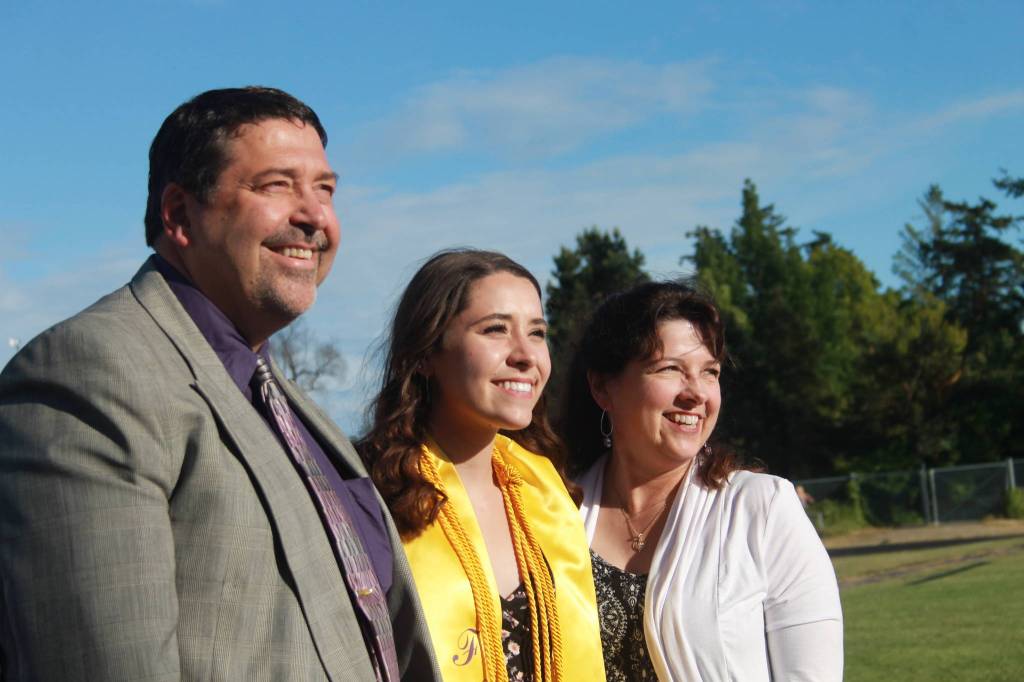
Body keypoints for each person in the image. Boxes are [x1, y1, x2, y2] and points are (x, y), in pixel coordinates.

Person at [0, 87, 440, 682]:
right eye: (276, 185)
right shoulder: (88, 372)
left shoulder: (288, 405)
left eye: (325, 189)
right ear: (180, 214)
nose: (315, 216)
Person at [561, 280, 843, 682]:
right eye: (670, 369)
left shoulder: (762, 509)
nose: (696, 393)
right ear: (603, 386)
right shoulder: (555, 510)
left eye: (710, 372)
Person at [358, 249, 605, 682]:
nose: (526, 355)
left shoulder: (547, 493)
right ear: (425, 354)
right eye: (495, 330)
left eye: (537, 332)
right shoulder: (370, 498)